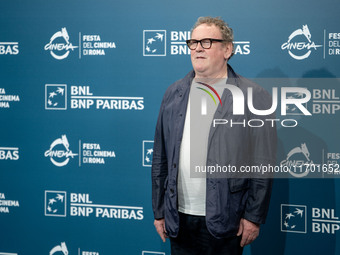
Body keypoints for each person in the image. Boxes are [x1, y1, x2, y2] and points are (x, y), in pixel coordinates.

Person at [151, 16, 277, 255]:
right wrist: (159, 211)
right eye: (193, 42)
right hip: (179, 220)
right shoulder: (173, 93)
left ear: (227, 49)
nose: (197, 47)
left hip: (226, 221)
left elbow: (263, 163)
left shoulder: (254, 96)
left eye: (207, 42)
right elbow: (161, 157)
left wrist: (253, 216)